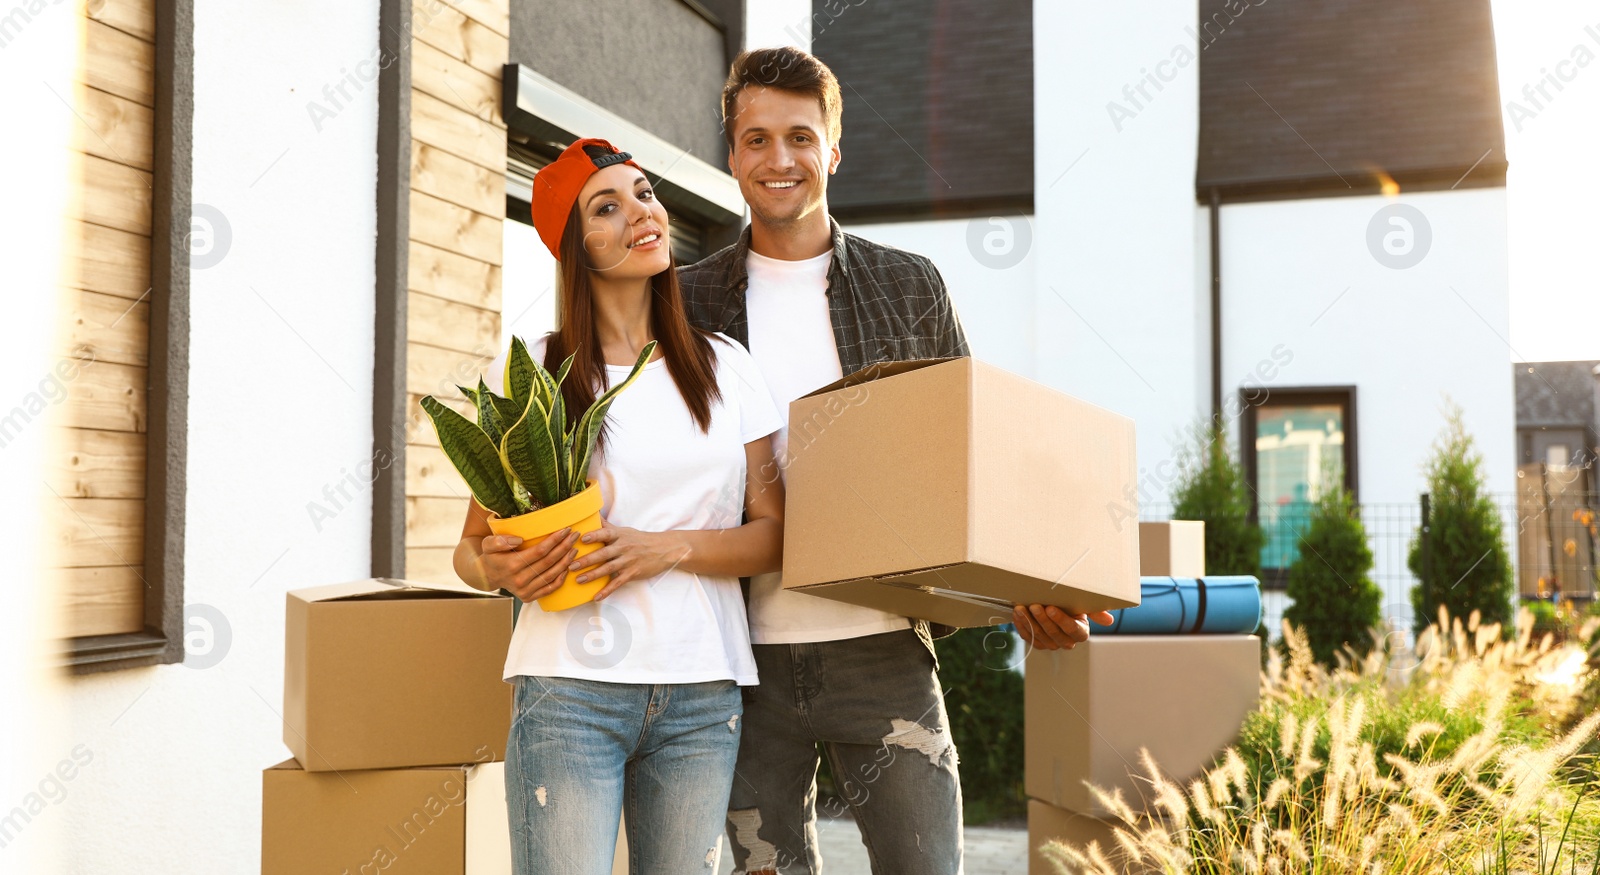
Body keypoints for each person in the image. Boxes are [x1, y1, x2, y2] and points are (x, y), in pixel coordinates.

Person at [679, 48, 1113, 874]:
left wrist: (1029, 591)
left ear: (833, 152)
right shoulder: (687, 301)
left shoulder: (909, 285)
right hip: (735, 665)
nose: (780, 160)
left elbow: (972, 458)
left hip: (881, 651)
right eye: (758, 138)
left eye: (801, 138)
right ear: (731, 155)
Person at [452, 137, 785, 875]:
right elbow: (470, 551)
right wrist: (504, 568)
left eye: (644, 193)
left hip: (702, 691)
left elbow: (773, 536)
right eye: (609, 205)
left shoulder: (727, 365)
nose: (643, 211)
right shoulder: (533, 370)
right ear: (575, 246)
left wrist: (666, 548)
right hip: (569, 691)